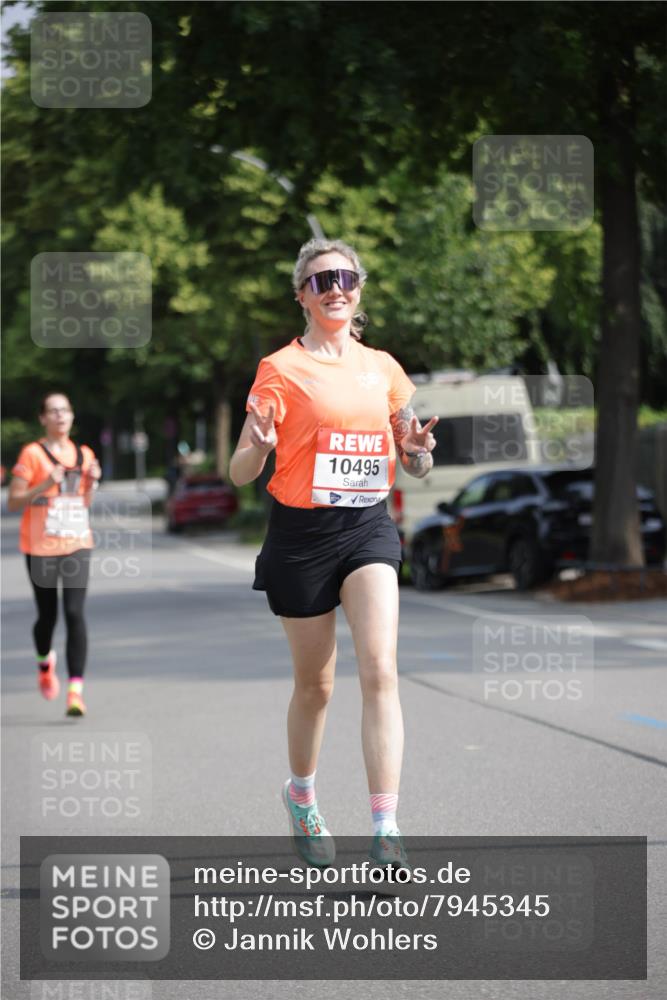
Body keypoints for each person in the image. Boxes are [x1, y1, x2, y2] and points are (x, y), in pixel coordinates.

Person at [230, 239, 437, 870]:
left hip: (367, 528)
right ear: (301, 295)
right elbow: (239, 472)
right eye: (321, 281)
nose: (334, 288)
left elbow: (418, 463)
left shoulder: (384, 369)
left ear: (359, 289)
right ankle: (302, 797)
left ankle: (386, 827)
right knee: (316, 686)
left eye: (345, 277)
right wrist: (259, 448)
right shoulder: (279, 369)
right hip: (300, 535)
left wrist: (419, 451)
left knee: (380, 669)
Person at [8, 393, 101, 717]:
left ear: (72, 416)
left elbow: (83, 502)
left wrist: (92, 484)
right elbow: (14, 502)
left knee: (75, 614)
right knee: (48, 616)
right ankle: (44, 663)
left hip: (76, 542)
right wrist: (46, 483)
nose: (60, 416)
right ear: (42, 418)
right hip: (40, 547)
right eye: (53, 411)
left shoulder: (84, 453)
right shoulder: (32, 454)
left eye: (65, 410)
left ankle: (75, 692)